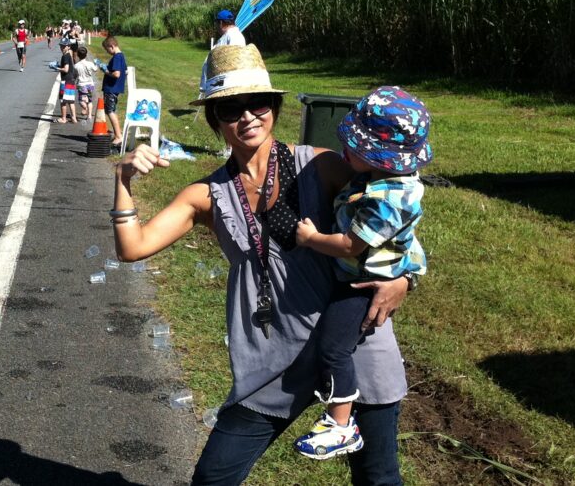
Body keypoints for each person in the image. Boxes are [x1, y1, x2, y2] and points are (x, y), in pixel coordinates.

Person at [112, 45, 409, 486]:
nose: (248, 116)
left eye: (259, 103)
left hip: (351, 339)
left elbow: (392, 214)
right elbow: (132, 247)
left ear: (273, 107)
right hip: (274, 351)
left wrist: (406, 277)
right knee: (214, 477)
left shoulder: (322, 166)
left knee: (377, 476)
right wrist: (123, 180)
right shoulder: (205, 195)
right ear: (215, 118)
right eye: (231, 108)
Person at [292, 86, 431, 460]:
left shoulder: (383, 201)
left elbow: (350, 246)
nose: (344, 150)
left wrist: (311, 238)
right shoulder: (385, 180)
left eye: (354, 146)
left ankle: (340, 425)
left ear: (380, 157)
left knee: (334, 349)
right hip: (363, 276)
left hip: (359, 285)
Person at [101, 36, 128, 145]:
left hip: (111, 88)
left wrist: (105, 71)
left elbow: (117, 74)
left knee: (110, 111)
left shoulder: (117, 57)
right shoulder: (121, 56)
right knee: (112, 110)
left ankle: (118, 136)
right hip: (115, 88)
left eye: (107, 50)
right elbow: (125, 70)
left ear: (111, 46)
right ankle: (118, 134)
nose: (107, 52)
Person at [74, 45, 99, 122]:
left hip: (82, 84)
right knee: (90, 100)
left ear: (78, 55)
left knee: (81, 100)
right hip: (90, 84)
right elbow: (95, 69)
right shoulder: (90, 63)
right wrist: (97, 64)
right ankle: (89, 116)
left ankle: (84, 108)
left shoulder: (76, 66)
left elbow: (75, 75)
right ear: (86, 54)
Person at [56, 39, 78, 123]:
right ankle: (74, 118)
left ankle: (64, 118)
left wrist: (57, 68)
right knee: (71, 101)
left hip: (65, 81)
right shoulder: (69, 55)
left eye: (64, 46)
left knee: (63, 101)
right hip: (71, 80)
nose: (62, 47)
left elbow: (66, 69)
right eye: (61, 46)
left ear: (68, 46)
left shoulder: (65, 56)